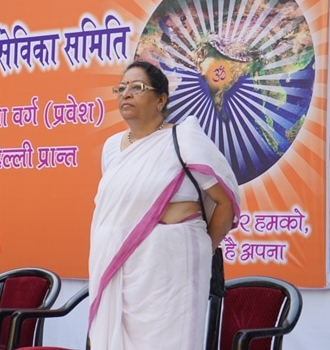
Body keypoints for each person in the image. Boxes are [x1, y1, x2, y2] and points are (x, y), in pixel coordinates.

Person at [87, 61, 241, 349]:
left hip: (173, 269)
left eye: (137, 87)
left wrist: (202, 249)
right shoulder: (111, 148)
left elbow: (225, 202)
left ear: (161, 100)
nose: (126, 94)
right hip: (121, 267)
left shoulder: (184, 138)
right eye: (121, 88)